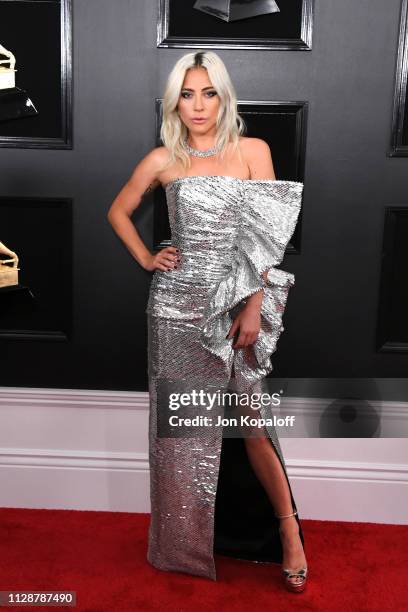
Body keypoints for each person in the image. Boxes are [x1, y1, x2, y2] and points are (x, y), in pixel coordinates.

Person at [107, 50, 308, 593]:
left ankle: (290, 535)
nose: (197, 105)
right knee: (179, 434)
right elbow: (118, 211)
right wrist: (148, 258)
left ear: (224, 96)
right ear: (176, 101)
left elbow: (266, 240)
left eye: (208, 93)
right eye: (187, 94)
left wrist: (253, 305)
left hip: (238, 301)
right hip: (175, 307)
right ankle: (179, 549)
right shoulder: (162, 159)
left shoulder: (253, 151)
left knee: (252, 425)